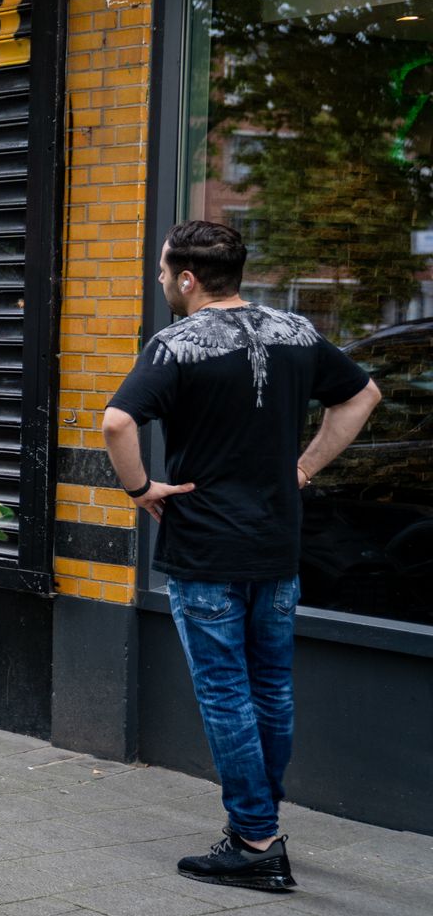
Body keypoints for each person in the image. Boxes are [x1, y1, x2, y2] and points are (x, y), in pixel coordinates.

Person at [102, 220, 380, 893]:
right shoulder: (296, 333)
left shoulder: (175, 345)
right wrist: (303, 470)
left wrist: (140, 489)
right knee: (272, 689)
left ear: (188, 277)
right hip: (276, 545)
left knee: (227, 692)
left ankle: (255, 841)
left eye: (166, 271)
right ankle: (260, 825)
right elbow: (362, 395)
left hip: (206, 548)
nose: (163, 281)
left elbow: (115, 422)